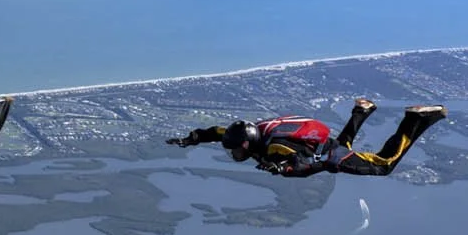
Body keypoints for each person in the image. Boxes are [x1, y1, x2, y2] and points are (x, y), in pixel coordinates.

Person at [171, 99, 446, 178]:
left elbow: (300, 161)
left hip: (323, 154)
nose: (234, 154)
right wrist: (191, 138)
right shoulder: (246, 132)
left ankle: (416, 120)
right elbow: (215, 132)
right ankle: (362, 109)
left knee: (383, 165)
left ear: (248, 143)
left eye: (237, 150)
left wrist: (283, 167)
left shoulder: (276, 147)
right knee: (338, 148)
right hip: (323, 149)